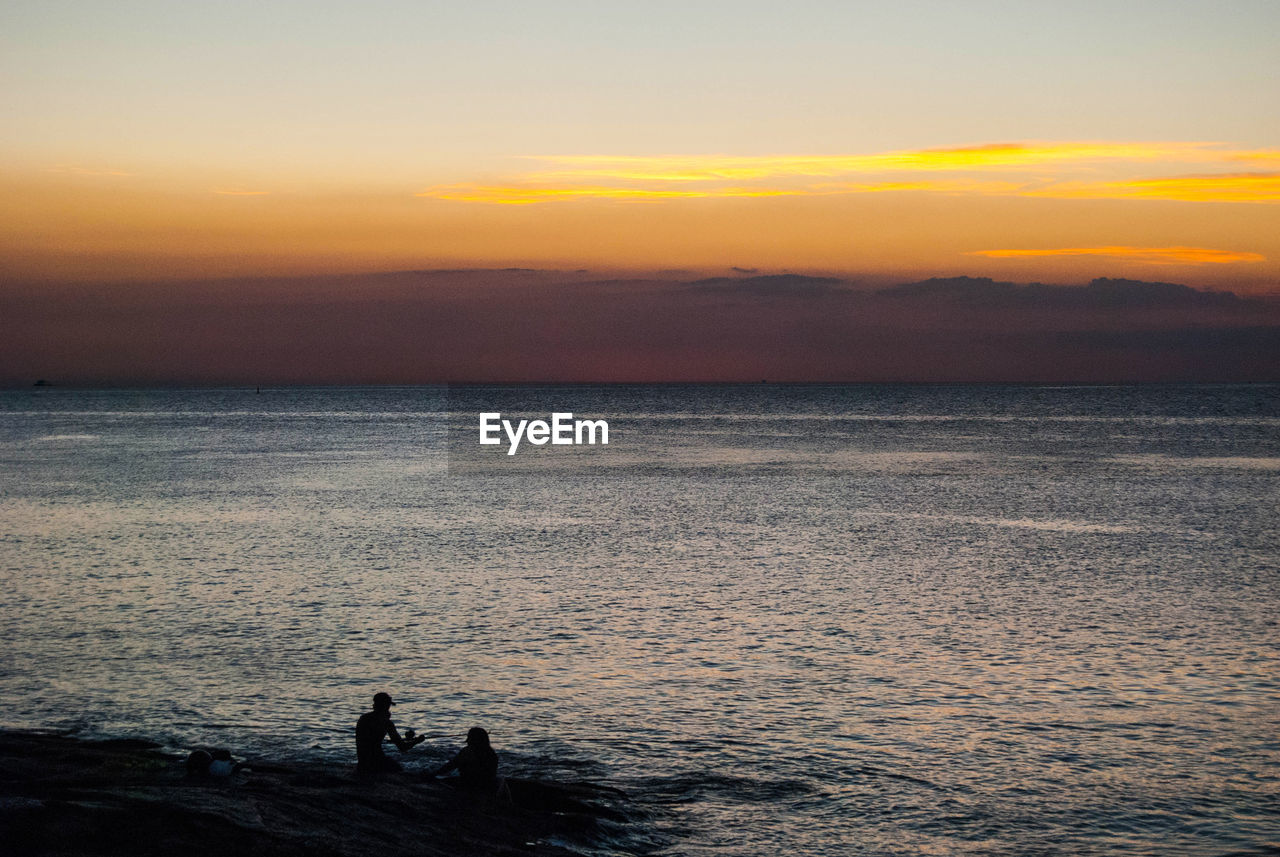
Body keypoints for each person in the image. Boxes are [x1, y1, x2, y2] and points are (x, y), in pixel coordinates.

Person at [355, 691, 424, 774]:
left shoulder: (363, 718)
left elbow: (367, 740)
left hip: (362, 762)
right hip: (377, 760)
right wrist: (417, 741)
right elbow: (402, 747)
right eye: (388, 705)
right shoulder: (387, 723)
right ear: (386, 706)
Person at [429, 726, 505, 798]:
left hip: (468, 785)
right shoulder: (491, 753)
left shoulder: (467, 751)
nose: (467, 741)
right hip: (487, 785)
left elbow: (451, 765)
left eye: (469, 738)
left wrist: (433, 774)